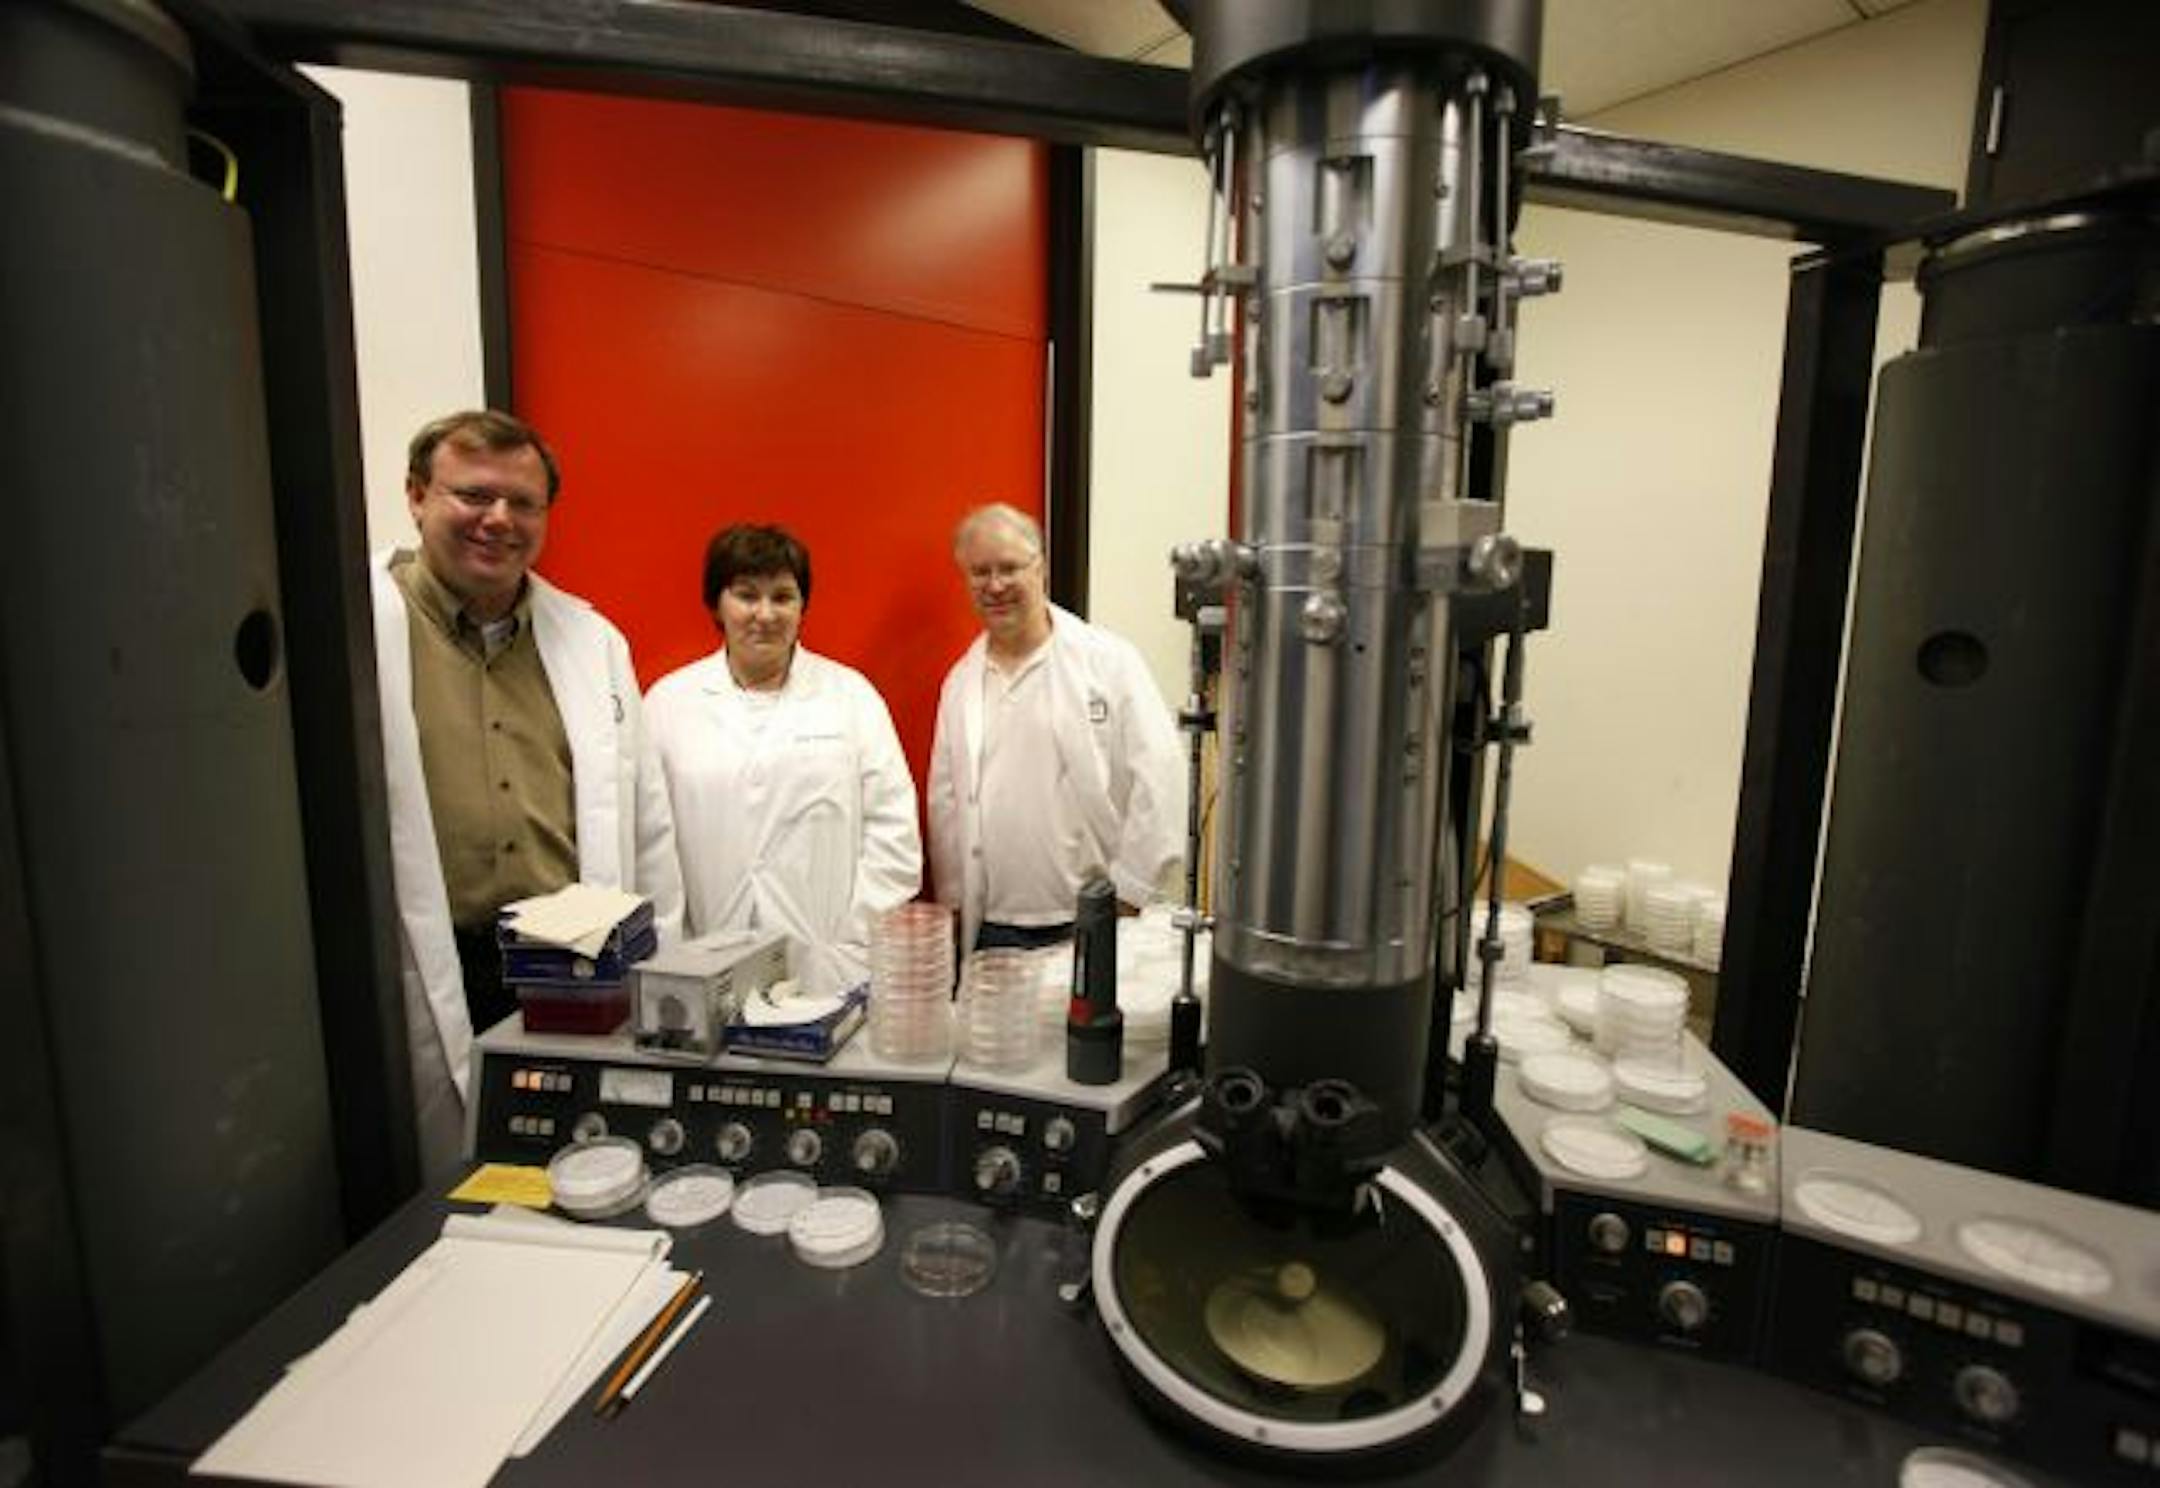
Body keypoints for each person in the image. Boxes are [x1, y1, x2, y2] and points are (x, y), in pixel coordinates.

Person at [372, 409, 683, 1179]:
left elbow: (648, 829)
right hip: (424, 959)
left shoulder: (591, 641)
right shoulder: (357, 625)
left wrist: (662, 981)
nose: (499, 521)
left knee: (574, 1170)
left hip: (566, 970)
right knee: (436, 1188)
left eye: (524, 504)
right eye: (473, 495)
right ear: (416, 496)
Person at [644, 524, 922, 999]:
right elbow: (649, 842)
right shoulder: (668, 704)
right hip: (705, 960)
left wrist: (854, 936)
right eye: (746, 595)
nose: (765, 614)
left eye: (783, 596)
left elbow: (893, 832)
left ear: (802, 607)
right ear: (717, 605)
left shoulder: (851, 697)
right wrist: (672, 948)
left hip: (829, 961)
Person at [927, 502, 1186, 953]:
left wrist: (1129, 894)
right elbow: (945, 802)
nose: (995, 585)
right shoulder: (961, 682)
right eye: (979, 572)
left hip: (1092, 917)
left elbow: (1161, 777)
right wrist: (953, 900)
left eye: (1009, 568)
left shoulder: (1108, 662)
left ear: (1040, 567)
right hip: (991, 928)